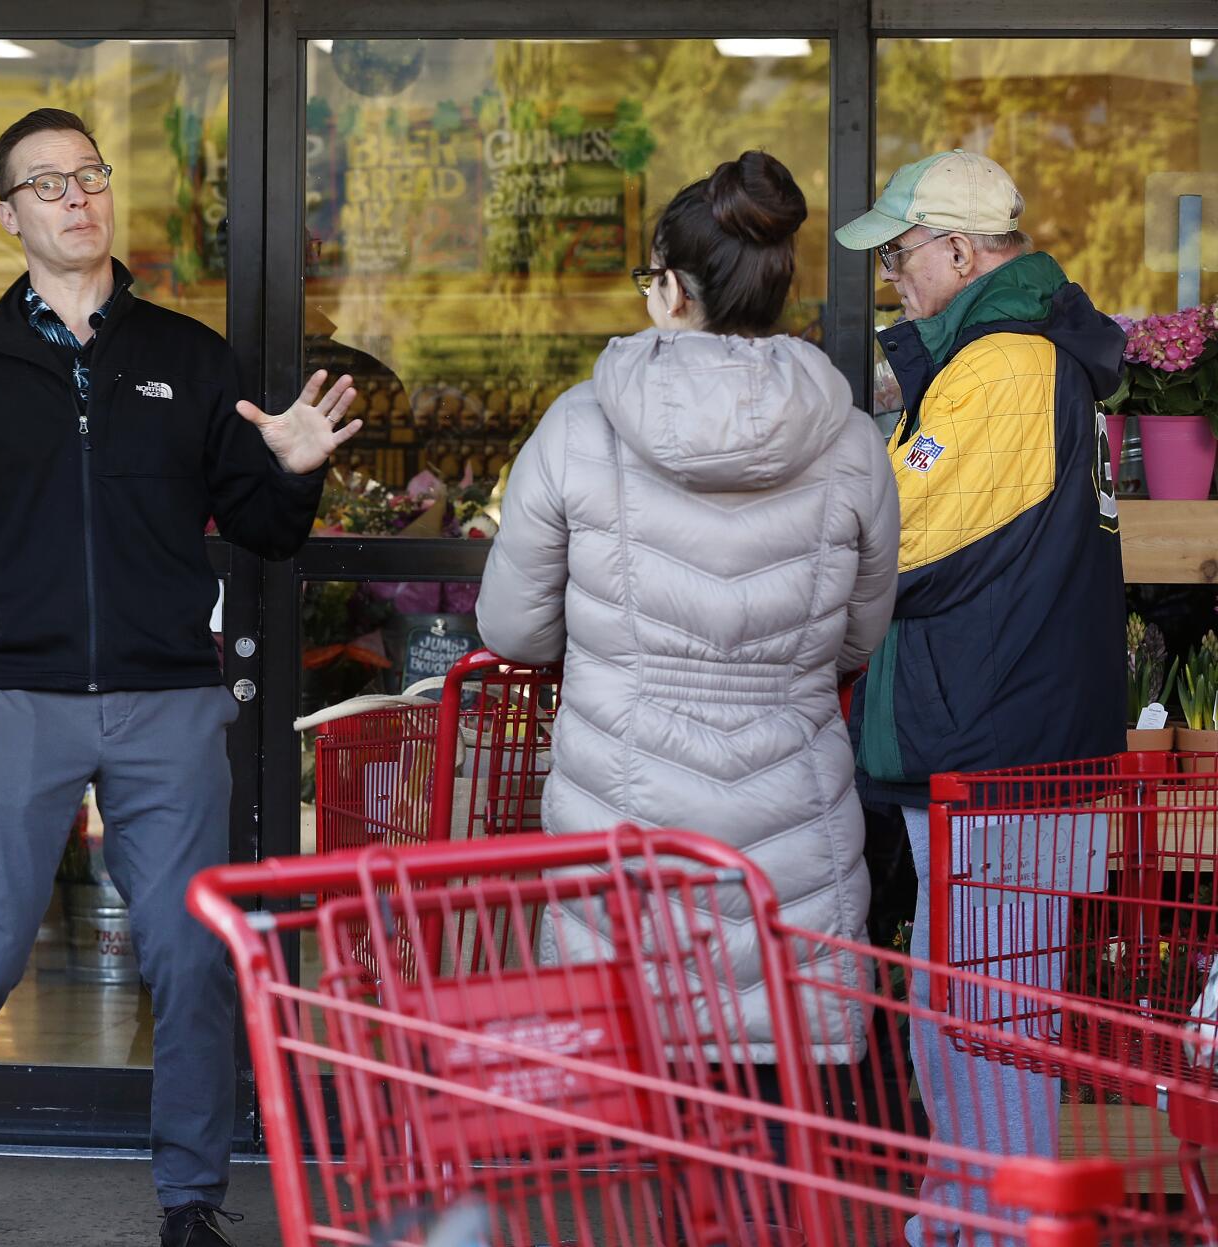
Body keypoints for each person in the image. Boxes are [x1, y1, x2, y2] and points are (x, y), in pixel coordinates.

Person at [0, 107, 358, 1247]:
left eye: (88, 175)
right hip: (19, 702)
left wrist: (289, 475)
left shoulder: (187, 359)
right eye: (46, 184)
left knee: (188, 954)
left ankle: (192, 1202)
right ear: (10, 217)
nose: (75, 196)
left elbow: (258, 525)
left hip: (167, 706)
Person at [475, 149, 900, 1158]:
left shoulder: (578, 427)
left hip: (622, 827)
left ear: (668, 289)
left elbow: (510, 628)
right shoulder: (849, 441)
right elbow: (858, 633)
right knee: (770, 1151)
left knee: (638, 1153)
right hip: (789, 838)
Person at [833, 149, 1125, 1245]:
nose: (893, 281)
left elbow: (897, 542)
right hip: (1004, 735)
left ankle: (999, 1228)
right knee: (958, 1017)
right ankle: (959, 1219)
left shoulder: (1002, 366)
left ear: (959, 251)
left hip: (1000, 747)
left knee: (988, 1024)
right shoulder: (1013, 357)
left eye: (900, 258)